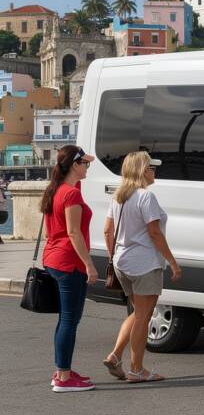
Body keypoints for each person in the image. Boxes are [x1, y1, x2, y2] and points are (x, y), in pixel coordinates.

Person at [102, 152, 182, 383]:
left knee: (138, 313)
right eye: (150, 167)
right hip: (145, 263)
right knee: (143, 318)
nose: (153, 170)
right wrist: (173, 263)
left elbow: (107, 230)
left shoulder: (118, 197)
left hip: (122, 263)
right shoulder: (146, 197)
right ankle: (137, 370)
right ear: (140, 170)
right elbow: (155, 233)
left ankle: (116, 356)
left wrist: (114, 254)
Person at [40, 145, 97, 392]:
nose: (87, 167)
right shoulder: (70, 195)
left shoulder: (58, 190)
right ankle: (63, 378)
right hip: (69, 262)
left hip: (53, 258)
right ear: (74, 165)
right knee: (70, 321)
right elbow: (74, 233)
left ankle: (61, 369)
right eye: (85, 164)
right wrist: (89, 264)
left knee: (66, 319)